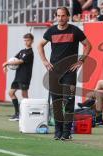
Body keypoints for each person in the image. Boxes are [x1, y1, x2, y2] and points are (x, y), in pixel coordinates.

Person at [37, 7, 92, 140]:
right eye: (59, 16)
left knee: (68, 101)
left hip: (69, 72)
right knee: (56, 102)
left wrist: (81, 61)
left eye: (63, 16)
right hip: (54, 72)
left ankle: (66, 133)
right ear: (56, 17)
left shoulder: (75, 30)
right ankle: (58, 132)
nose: (61, 18)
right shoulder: (51, 31)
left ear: (68, 16)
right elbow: (40, 45)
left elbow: (88, 45)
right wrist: (44, 61)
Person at [3, 33, 34, 121]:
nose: (26, 42)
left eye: (28, 40)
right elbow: (13, 59)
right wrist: (6, 65)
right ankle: (17, 114)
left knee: (24, 96)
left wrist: (7, 63)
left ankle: (27, 115)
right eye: (25, 40)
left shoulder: (30, 53)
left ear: (32, 41)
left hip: (25, 77)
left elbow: (19, 61)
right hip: (18, 76)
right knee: (11, 93)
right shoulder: (22, 51)